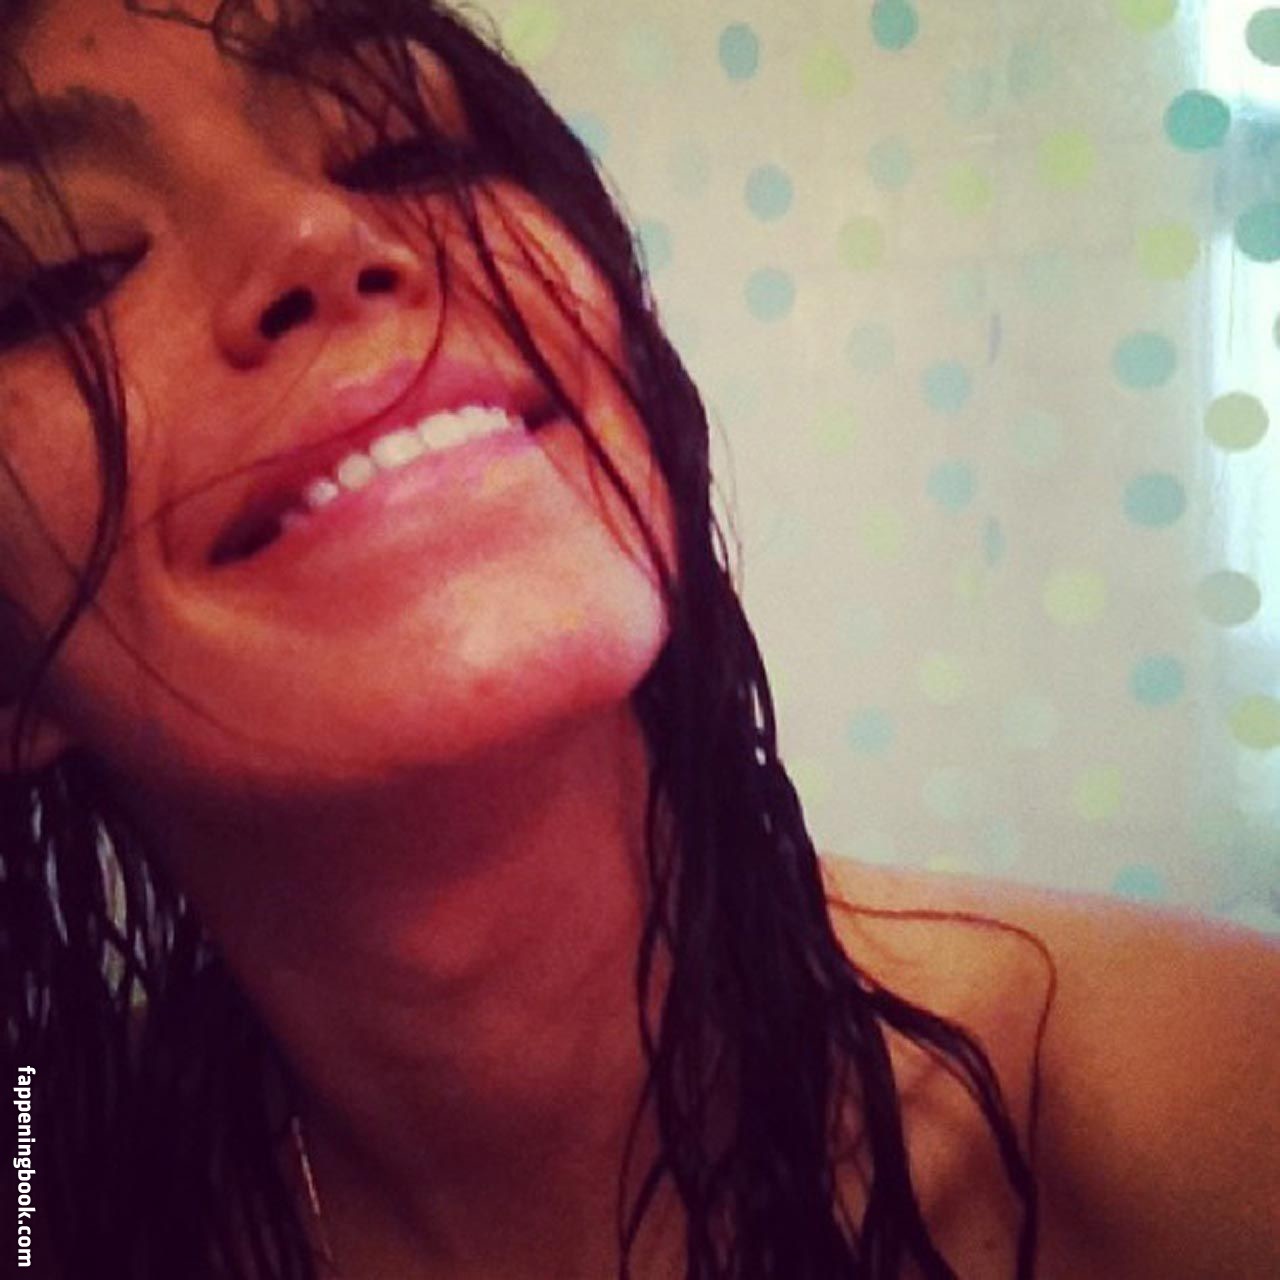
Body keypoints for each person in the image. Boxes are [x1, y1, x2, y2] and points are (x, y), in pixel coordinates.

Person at [0, 1, 1275, 1277]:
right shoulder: (41, 1196)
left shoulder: (1204, 1099)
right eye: (69, 271)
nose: (320, 234)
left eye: (404, 150)